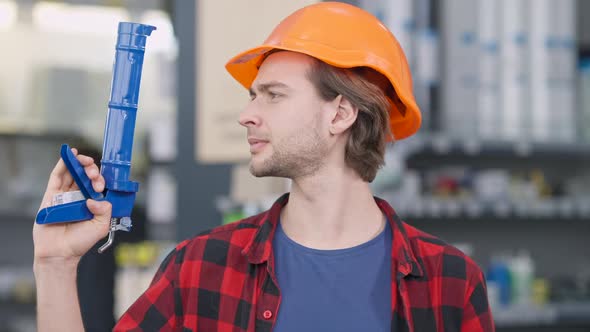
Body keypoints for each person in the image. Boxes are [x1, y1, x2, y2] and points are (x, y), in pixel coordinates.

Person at [33, 2, 494, 331]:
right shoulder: (201, 268)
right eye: (253, 96)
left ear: (340, 114)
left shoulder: (449, 282)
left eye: (273, 95)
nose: (246, 114)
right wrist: (55, 266)